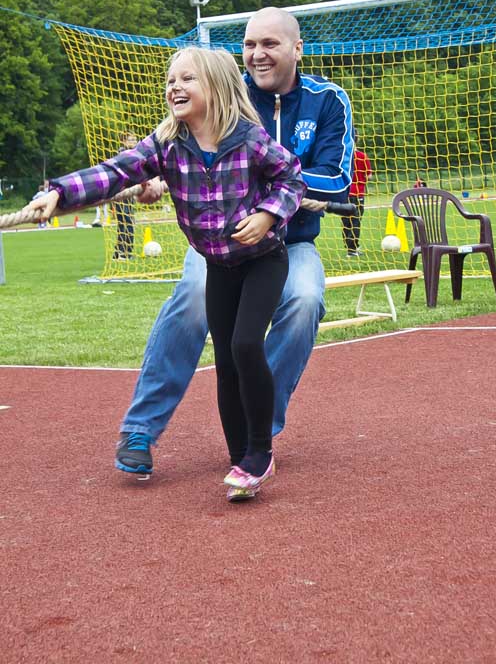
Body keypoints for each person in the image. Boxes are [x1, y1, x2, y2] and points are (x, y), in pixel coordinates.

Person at [29, 46, 305, 502]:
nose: (174, 87)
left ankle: (260, 451)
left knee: (245, 344)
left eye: (187, 79)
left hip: (263, 259)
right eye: (171, 80)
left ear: (216, 88)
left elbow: (292, 178)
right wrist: (60, 193)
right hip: (219, 265)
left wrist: (269, 214)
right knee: (226, 363)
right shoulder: (167, 145)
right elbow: (115, 173)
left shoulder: (250, 140)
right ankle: (241, 460)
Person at [117, 7, 355, 479]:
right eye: (249, 44)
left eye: (269, 44)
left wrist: (263, 186)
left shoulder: (327, 100)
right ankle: (140, 428)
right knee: (191, 298)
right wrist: (162, 178)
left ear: (297, 48)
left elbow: (336, 180)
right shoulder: (224, 91)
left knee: (306, 300)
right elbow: (176, 146)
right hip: (220, 246)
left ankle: (258, 428)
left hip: (291, 242)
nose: (257, 54)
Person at [342, 148, 372, 256]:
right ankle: (352, 249)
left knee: (346, 220)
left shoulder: (343, 155)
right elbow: (369, 176)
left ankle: (349, 246)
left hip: (344, 193)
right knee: (355, 220)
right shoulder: (362, 156)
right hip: (357, 193)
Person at [112, 132, 137, 260]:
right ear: (124, 142)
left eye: (135, 139)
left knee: (125, 221)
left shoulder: (133, 154)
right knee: (126, 221)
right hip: (122, 191)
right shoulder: (123, 154)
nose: (134, 142)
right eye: (131, 139)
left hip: (128, 191)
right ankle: (125, 252)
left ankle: (120, 251)